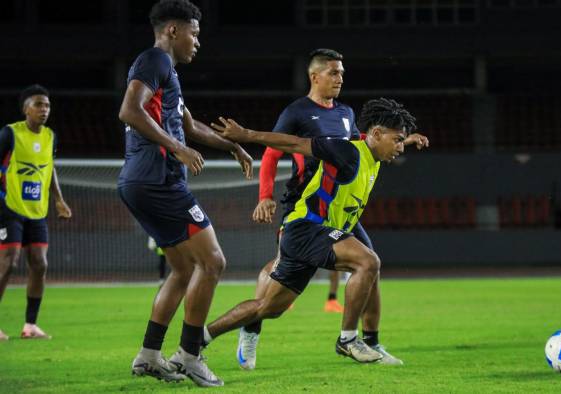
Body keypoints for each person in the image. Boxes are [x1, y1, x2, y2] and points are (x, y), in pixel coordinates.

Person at [207, 98, 427, 364]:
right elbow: (294, 143)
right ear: (377, 134)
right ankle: (348, 340)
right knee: (368, 262)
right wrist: (247, 135)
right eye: (397, 140)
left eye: (402, 141)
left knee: (268, 308)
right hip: (306, 228)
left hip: (314, 233)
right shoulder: (346, 151)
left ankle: (197, 340)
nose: (400, 148)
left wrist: (407, 137)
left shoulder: (374, 156)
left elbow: (377, 140)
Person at [117, 0, 253, 387]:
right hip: (158, 178)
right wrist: (175, 148)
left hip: (141, 181)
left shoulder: (166, 74)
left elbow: (190, 127)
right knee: (213, 262)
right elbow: (129, 110)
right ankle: (191, 356)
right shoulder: (155, 61)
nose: (197, 41)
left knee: (182, 270)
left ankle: (148, 356)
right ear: (173, 30)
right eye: (193, 33)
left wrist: (232, 146)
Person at [253, 49, 355, 317]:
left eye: (342, 73)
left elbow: (359, 145)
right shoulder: (297, 112)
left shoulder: (346, 112)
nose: (340, 78)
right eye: (333, 73)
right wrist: (265, 196)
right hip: (303, 201)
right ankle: (253, 323)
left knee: (365, 261)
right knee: (281, 268)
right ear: (314, 76)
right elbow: (271, 153)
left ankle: (359, 338)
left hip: (335, 202)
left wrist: (395, 139)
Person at [0, 84, 72, 341]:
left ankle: (30, 325)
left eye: (47, 105)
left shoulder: (50, 136)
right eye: (38, 104)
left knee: (40, 264)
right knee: (8, 262)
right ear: (25, 109)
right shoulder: (9, 133)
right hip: (9, 207)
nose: (44, 109)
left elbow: (49, 167)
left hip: (37, 211)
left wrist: (59, 200)